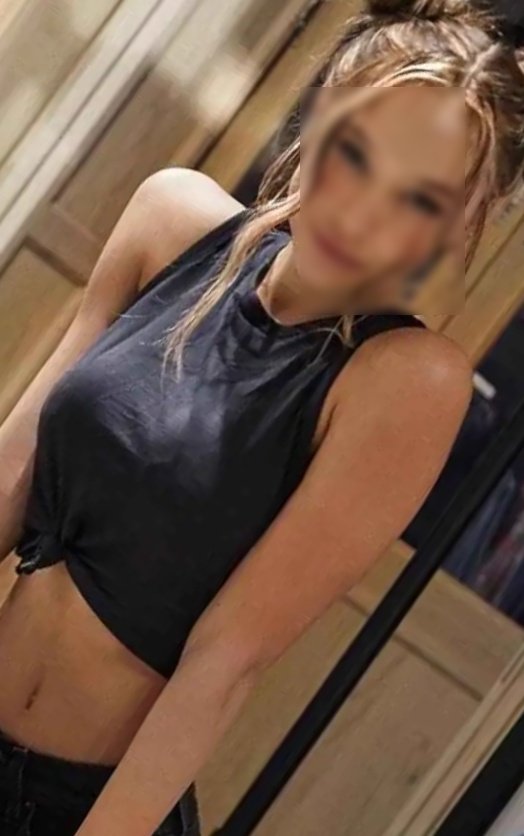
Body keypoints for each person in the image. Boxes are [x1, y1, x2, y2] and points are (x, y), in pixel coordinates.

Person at [0, 1, 522, 833]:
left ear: (460, 224)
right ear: (321, 113)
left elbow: (229, 660)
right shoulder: (170, 218)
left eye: (418, 200)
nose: (363, 214)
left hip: (81, 811)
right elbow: (15, 465)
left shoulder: (406, 381)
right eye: (356, 154)